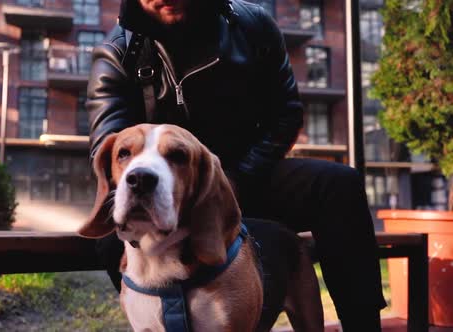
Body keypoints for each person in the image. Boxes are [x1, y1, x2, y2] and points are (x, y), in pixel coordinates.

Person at [86, 0, 387, 330]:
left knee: (338, 184)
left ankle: (363, 324)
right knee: (108, 238)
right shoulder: (117, 53)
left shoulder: (254, 25)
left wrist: (234, 180)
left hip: (250, 178)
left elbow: (287, 114)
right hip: (168, 197)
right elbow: (108, 145)